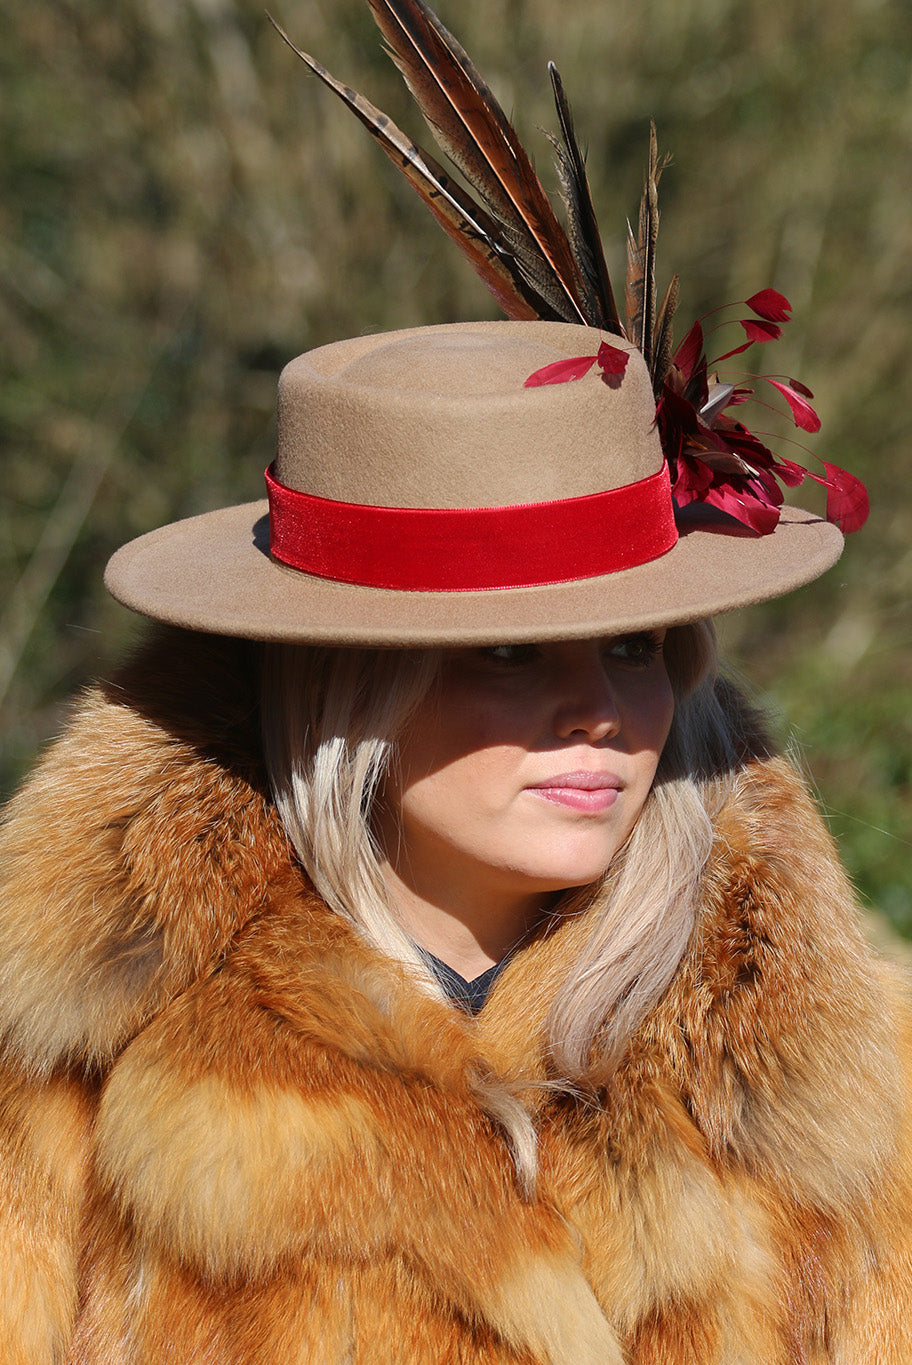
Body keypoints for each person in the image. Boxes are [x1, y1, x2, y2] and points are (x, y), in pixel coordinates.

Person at [0, 315, 910, 1364]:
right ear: (349, 681)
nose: (598, 710)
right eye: (510, 650)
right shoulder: (84, 1058)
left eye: (634, 644)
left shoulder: (836, 1085)